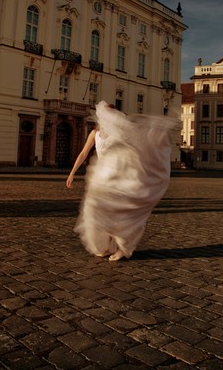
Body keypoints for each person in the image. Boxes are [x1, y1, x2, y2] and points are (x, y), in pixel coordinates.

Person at [67, 101, 175, 261]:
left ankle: (122, 248)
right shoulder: (94, 133)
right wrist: (72, 173)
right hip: (101, 175)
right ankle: (106, 245)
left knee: (119, 212)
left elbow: (138, 150)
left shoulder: (121, 134)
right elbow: (83, 153)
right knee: (96, 209)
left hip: (120, 175)